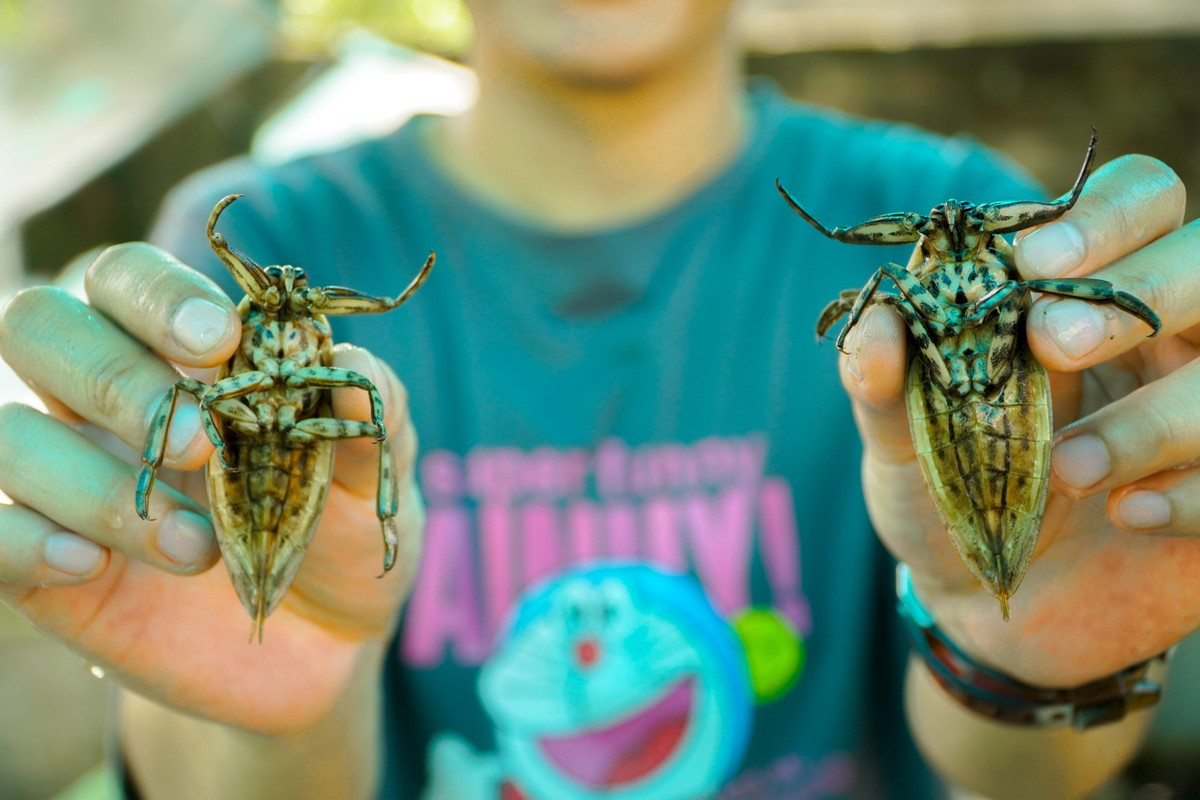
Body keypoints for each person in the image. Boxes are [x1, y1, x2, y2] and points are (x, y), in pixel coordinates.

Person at [1, 2, 1197, 798]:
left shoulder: (976, 207)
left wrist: (1031, 661)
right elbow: (222, 733)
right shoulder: (268, 246)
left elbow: (1016, 773)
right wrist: (271, 710)